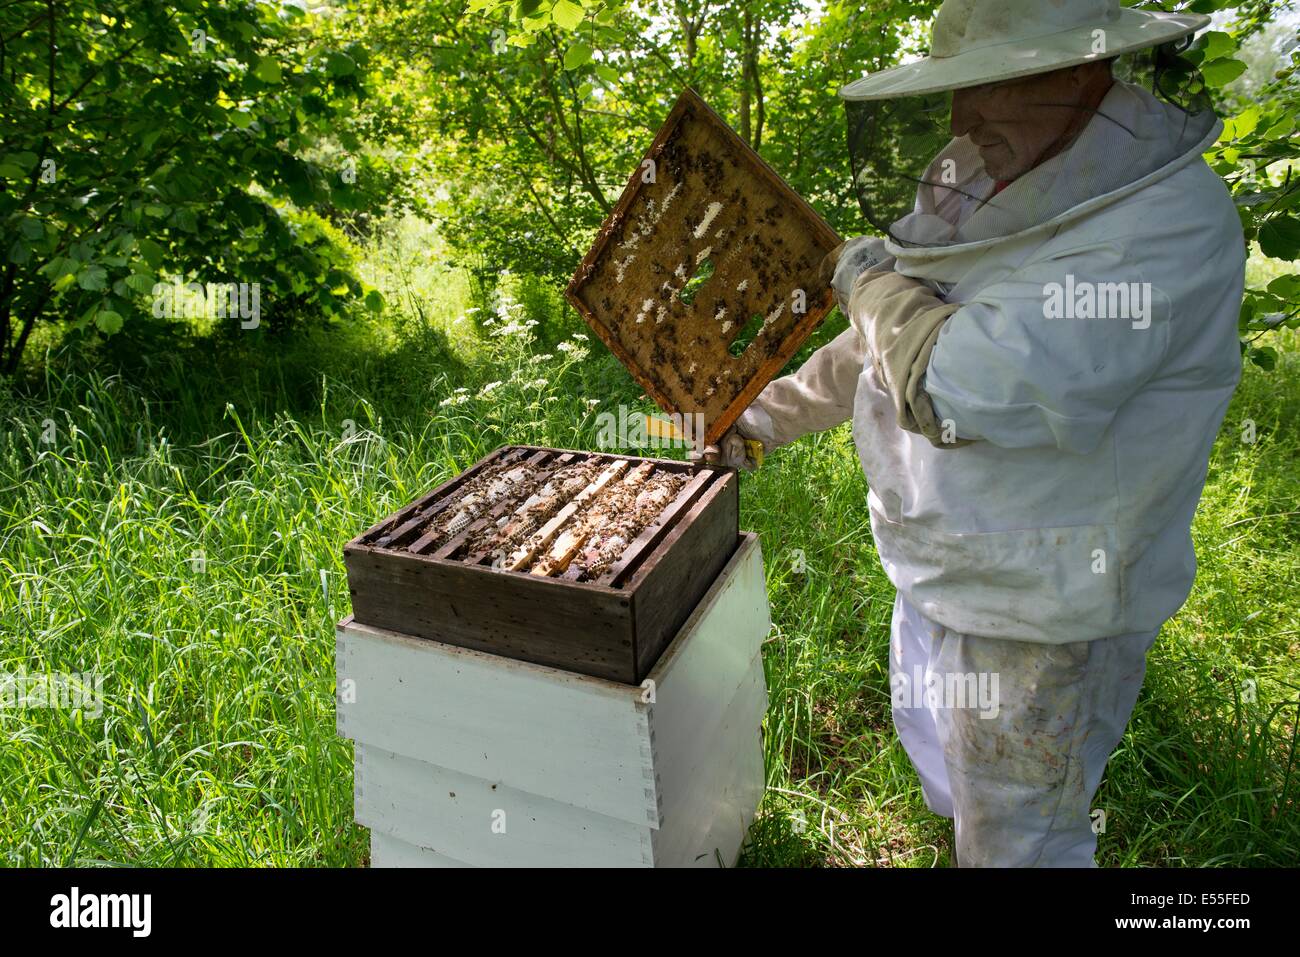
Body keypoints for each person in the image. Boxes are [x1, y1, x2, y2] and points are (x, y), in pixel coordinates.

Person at [704, 0, 1246, 866]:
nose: (961, 118)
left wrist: (865, 282)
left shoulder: (1163, 224)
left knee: (1022, 837)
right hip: (937, 562)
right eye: (957, 90)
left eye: (988, 87)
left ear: (1080, 70)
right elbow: (881, 345)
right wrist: (761, 419)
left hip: (1045, 603)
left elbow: (956, 383)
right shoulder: (971, 168)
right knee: (950, 771)